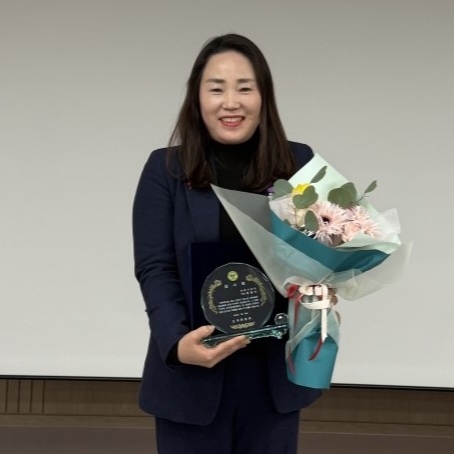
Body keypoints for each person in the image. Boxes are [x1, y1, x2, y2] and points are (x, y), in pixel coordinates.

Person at [132, 33, 321, 454]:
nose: (230, 103)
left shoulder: (300, 163)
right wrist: (176, 344)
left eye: (244, 88)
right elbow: (155, 267)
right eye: (216, 89)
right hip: (192, 375)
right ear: (197, 98)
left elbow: (323, 250)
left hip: (273, 378)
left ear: (264, 96)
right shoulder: (166, 169)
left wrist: (325, 286)